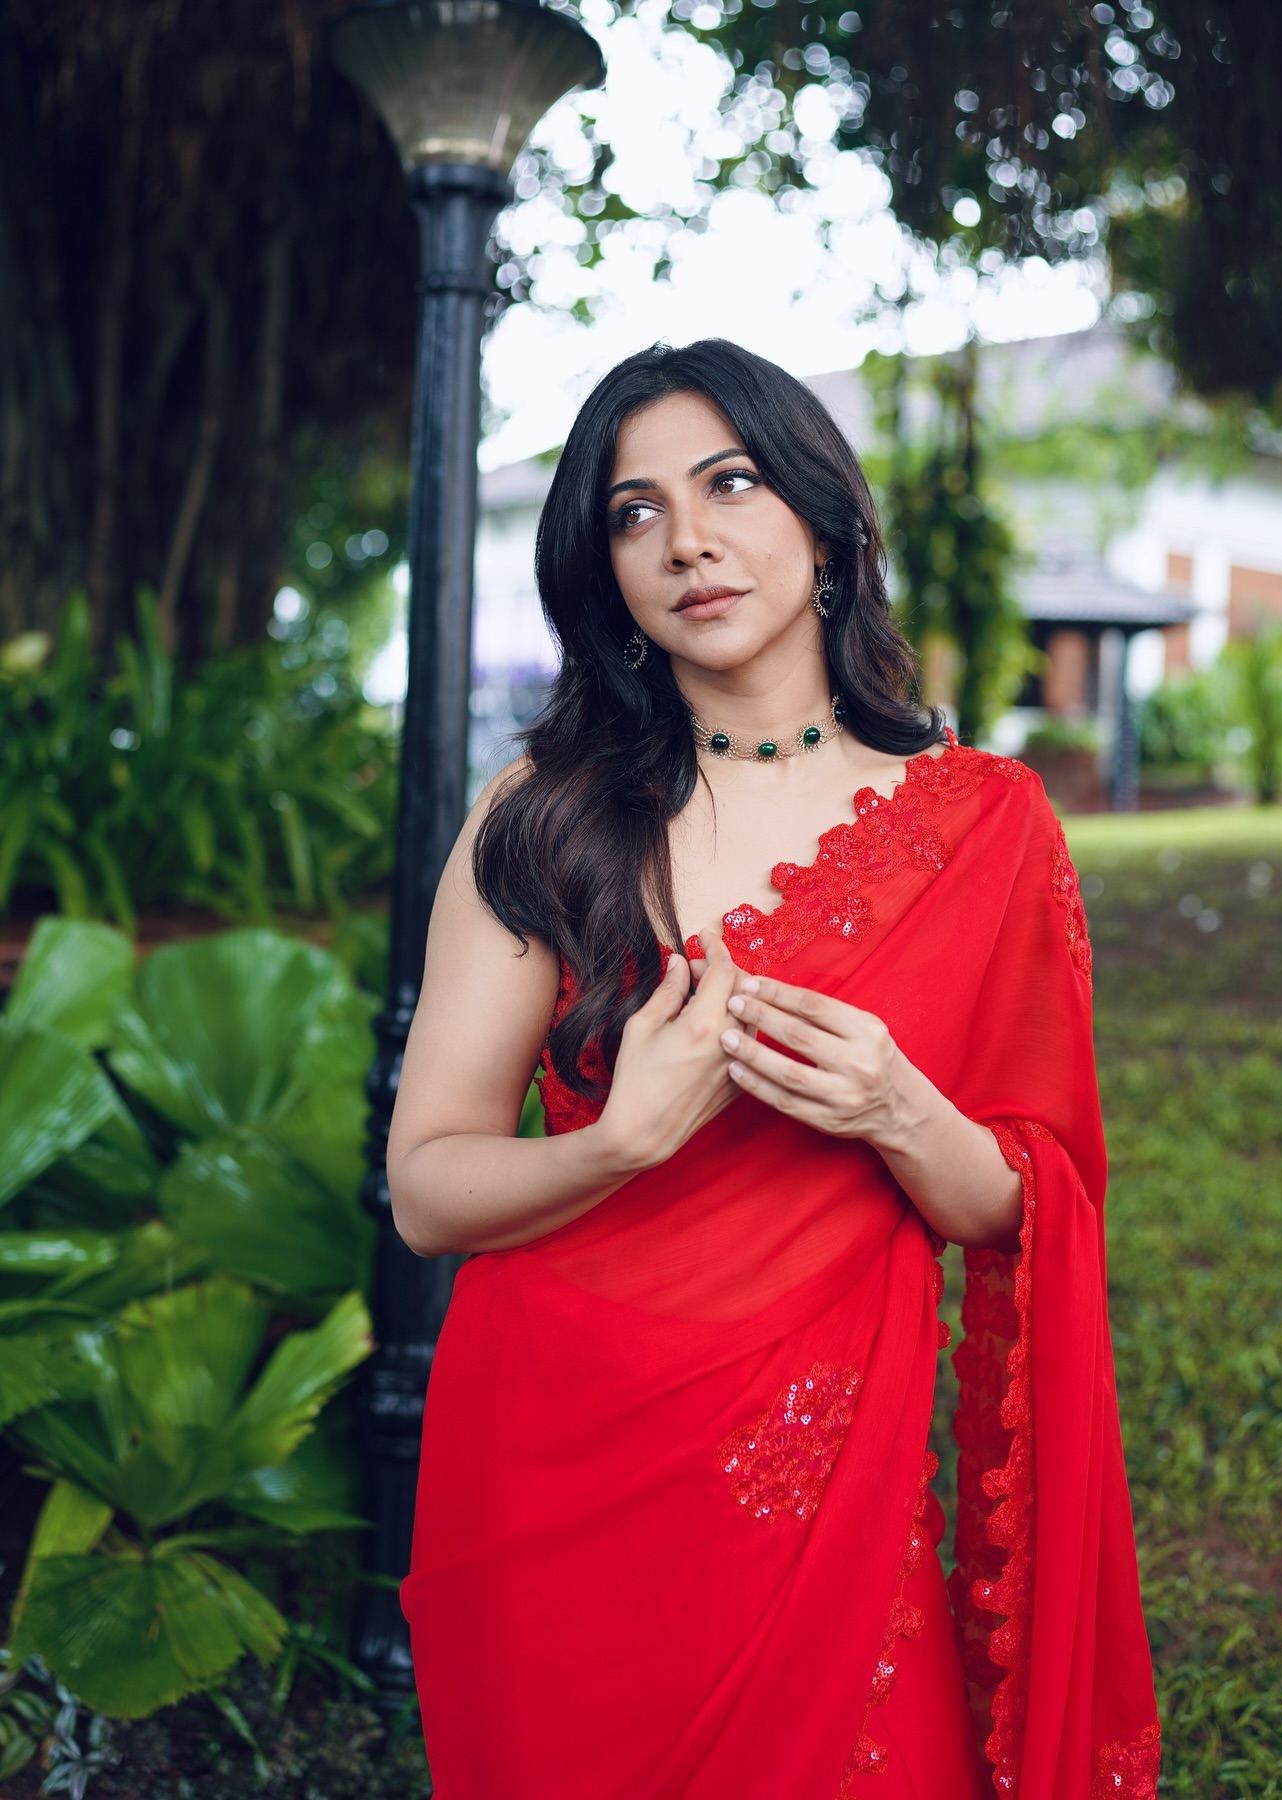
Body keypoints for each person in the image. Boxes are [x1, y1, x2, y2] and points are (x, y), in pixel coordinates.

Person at [388, 337, 1161, 1798]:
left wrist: (896, 1109)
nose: (687, 539)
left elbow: (1020, 1206)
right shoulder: (547, 815)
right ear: (602, 568)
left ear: (821, 519)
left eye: (729, 483)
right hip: (546, 1464)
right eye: (633, 510)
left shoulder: (986, 829)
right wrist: (619, 1141)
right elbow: (428, 1191)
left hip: (817, 1492)